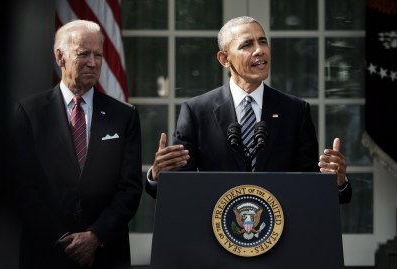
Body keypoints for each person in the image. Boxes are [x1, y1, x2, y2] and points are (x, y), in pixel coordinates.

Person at [145, 16, 351, 204]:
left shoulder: (295, 110)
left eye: (263, 41)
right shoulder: (197, 111)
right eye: (247, 44)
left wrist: (337, 181)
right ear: (224, 59)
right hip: (215, 232)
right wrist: (158, 176)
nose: (260, 50)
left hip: (280, 233)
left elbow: (311, 186)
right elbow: (178, 188)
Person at [11, 20, 142, 268]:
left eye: (98, 55)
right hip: (45, 252)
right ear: (60, 57)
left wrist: (95, 237)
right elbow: (23, 187)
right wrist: (63, 239)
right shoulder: (30, 112)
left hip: (107, 253)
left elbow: (129, 189)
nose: (93, 63)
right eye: (83, 54)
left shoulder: (124, 115)